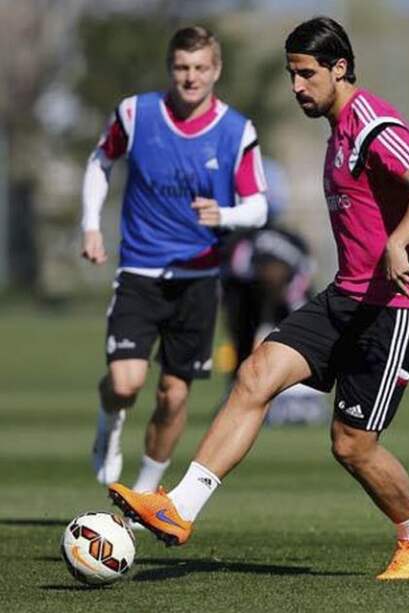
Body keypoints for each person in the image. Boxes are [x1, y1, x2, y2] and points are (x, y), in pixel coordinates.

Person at [108, 16, 409, 581]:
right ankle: (179, 507)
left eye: (307, 74)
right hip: (348, 296)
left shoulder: (371, 121)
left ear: (340, 68)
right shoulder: (339, 130)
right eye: (291, 74)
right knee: (256, 373)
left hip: (398, 308)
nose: (296, 86)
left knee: (351, 446)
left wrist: (403, 242)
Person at [80, 26, 268, 494]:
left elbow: (258, 207)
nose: (191, 77)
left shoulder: (236, 131)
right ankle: (109, 422)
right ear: (170, 68)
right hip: (140, 272)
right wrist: (90, 225)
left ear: (216, 70)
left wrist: (223, 214)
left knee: (173, 395)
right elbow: (100, 162)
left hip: (198, 279)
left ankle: (144, 493)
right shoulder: (135, 113)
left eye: (200, 67)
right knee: (125, 384)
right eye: (182, 67)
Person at [220, 159, 327, 425]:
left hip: (283, 346)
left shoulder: (246, 242)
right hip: (303, 346)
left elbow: (274, 276)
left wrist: (265, 324)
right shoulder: (292, 239)